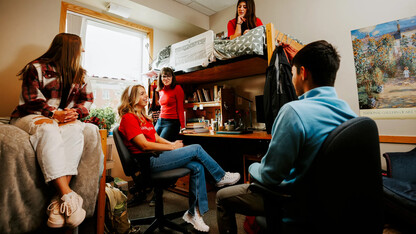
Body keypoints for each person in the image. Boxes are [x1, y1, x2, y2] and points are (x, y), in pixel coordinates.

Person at [216, 40, 358, 233]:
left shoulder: (293, 111)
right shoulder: (350, 115)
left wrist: (252, 167)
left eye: (292, 74)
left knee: (222, 197)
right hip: (334, 205)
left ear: (303, 73)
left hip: (295, 202)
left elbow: (269, 175)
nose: (291, 80)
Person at [117, 84, 240, 232]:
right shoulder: (128, 118)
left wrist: (172, 143)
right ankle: (220, 177)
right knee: (196, 148)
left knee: (197, 166)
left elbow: (156, 138)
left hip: (158, 157)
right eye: (142, 93)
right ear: (132, 98)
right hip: (148, 162)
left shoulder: (145, 118)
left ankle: (195, 214)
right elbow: (144, 145)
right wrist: (172, 148)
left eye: (145, 93)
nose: (146, 96)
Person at [10, 33, 94, 228]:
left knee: (75, 131)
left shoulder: (81, 74)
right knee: (48, 130)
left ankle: (58, 203)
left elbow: (87, 101)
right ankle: (68, 194)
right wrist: (55, 114)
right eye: (80, 47)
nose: (82, 51)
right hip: (29, 116)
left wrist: (73, 113)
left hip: (64, 118)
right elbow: (31, 101)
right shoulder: (36, 68)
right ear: (69, 49)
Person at [155, 67, 185, 142]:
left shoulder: (177, 88)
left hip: (172, 122)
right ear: (160, 78)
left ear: (172, 77)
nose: (166, 78)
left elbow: (180, 108)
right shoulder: (160, 90)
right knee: (152, 141)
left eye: (169, 76)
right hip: (160, 121)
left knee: (161, 145)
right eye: (164, 76)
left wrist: (183, 127)